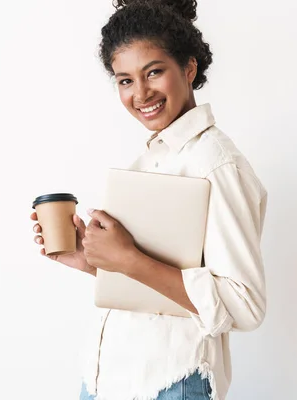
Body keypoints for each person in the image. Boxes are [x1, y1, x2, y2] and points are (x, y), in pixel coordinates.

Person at [30, 1, 267, 399]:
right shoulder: (151, 158)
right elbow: (160, 280)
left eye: (153, 72)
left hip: (169, 383)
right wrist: (96, 264)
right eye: (124, 80)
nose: (140, 94)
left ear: (188, 69)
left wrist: (128, 259)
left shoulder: (217, 165)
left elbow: (245, 305)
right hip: (110, 379)